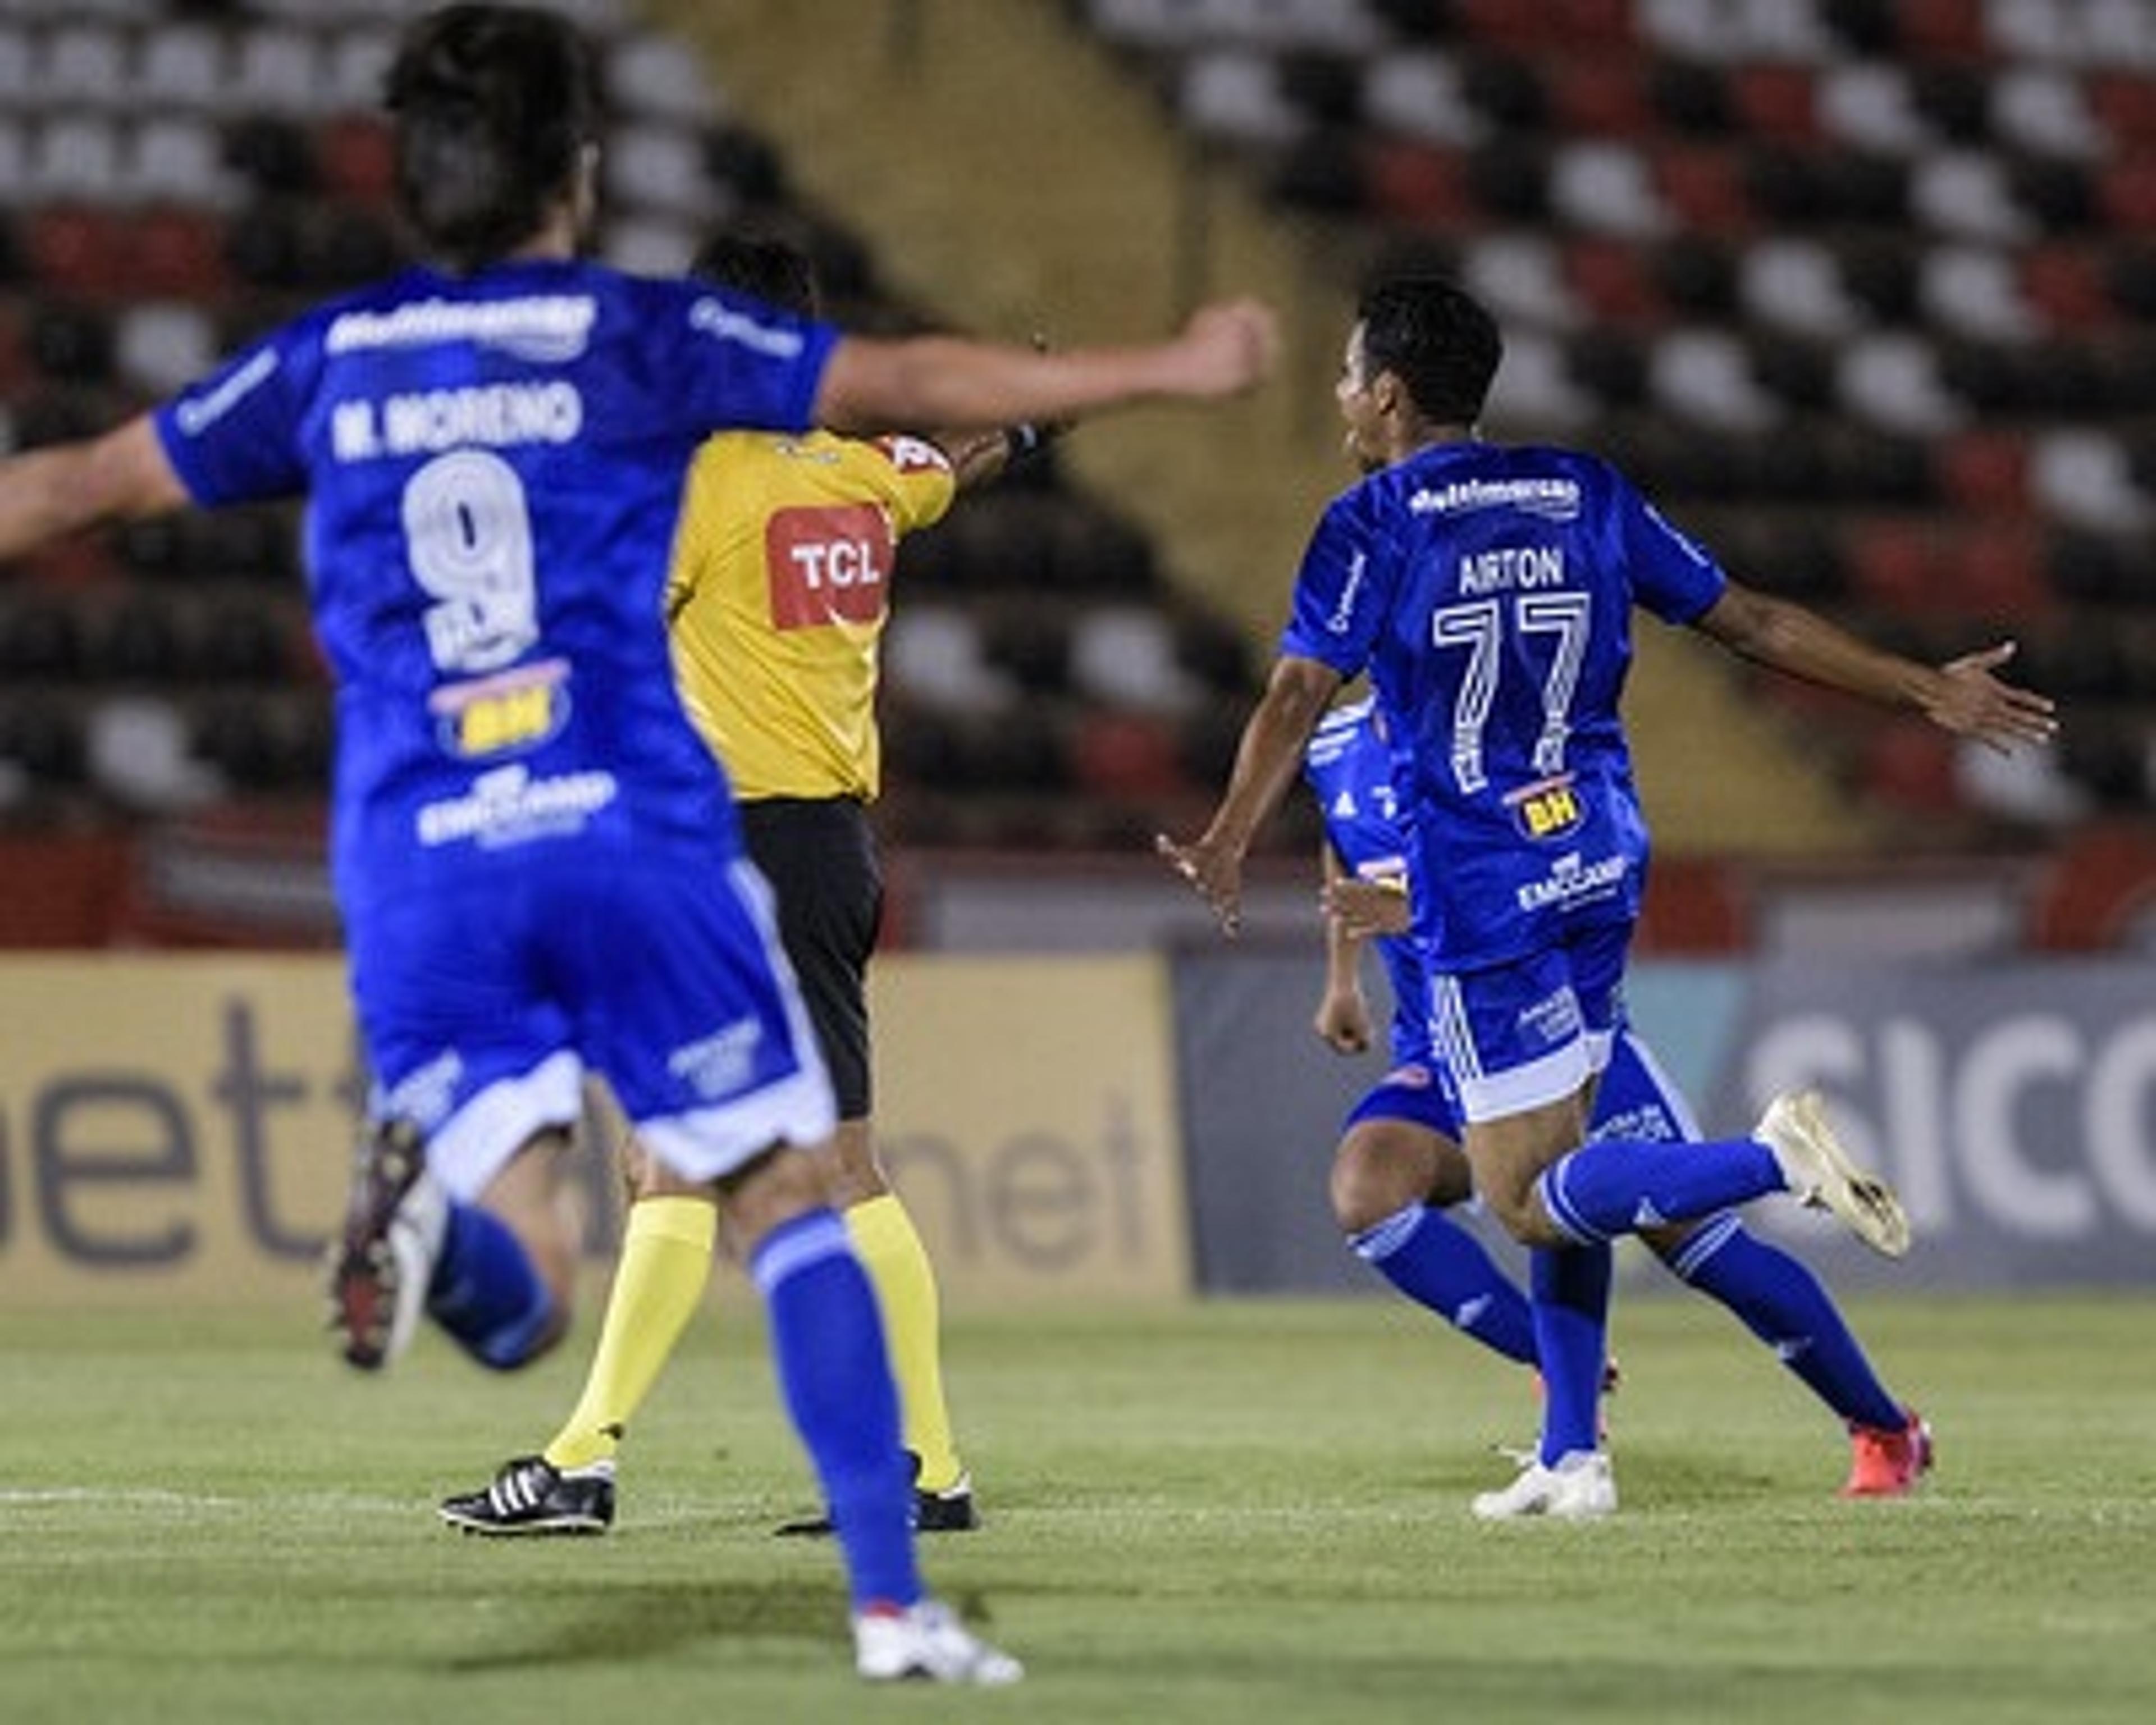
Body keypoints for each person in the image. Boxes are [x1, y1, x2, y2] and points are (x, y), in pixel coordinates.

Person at [0, 2, 1274, 1679]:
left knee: (602, 1225)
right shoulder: (779, 435)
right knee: (778, 1182)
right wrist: (1132, 380)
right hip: (696, 836)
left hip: (444, 845)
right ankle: (887, 1577)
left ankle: (575, 1400)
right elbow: (934, 419)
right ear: (576, 181)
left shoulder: (386, 374)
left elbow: (80, 485)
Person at [1159, 273, 2052, 1520]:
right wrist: (1920, 689)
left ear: (1394, 395)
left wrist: (1221, 836)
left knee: (1529, 1199)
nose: (1343, 396)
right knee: (1566, 1176)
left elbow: (1299, 695)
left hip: (1484, 887)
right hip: (1596, 855)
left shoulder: (1372, 522)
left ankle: (1766, 1160)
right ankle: (1574, 1454)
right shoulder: (1584, 491)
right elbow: (1750, 620)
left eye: (1351, 375)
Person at [439, 232, 1031, 1541]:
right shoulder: (863, 480)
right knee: (754, 1162)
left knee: (714, 1168)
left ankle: (593, 1465)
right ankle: (919, 1468)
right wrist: (1021, 426)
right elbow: (955, 465)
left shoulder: (703, 485)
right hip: (827, 852)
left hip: (735, 856)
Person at [1306, 694, 1933, 1498]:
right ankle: (1565, 1416)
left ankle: (1886, 1428)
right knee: (1370, 1187)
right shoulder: (1331, 741)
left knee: (1706, 1255)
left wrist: (1418, 911)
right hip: (1444, 1051)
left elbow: (1572, 879)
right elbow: (1341, 841)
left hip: (1557, 1035)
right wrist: (1342, 979)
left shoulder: (1513, 743)